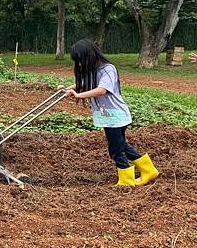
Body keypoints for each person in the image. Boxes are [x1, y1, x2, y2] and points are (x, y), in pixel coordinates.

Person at [60, 39, 159, 186]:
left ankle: (126, 181)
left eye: (81, 60)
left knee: (116, 150)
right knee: (121, 145)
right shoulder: (94, 70)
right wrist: (69, 89)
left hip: (116, 116)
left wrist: (79, 95)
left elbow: (102, 90)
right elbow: (86, 83)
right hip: (108, 117)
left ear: (89, 55)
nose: (80, 64)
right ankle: (148, 170)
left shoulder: (108, 69)